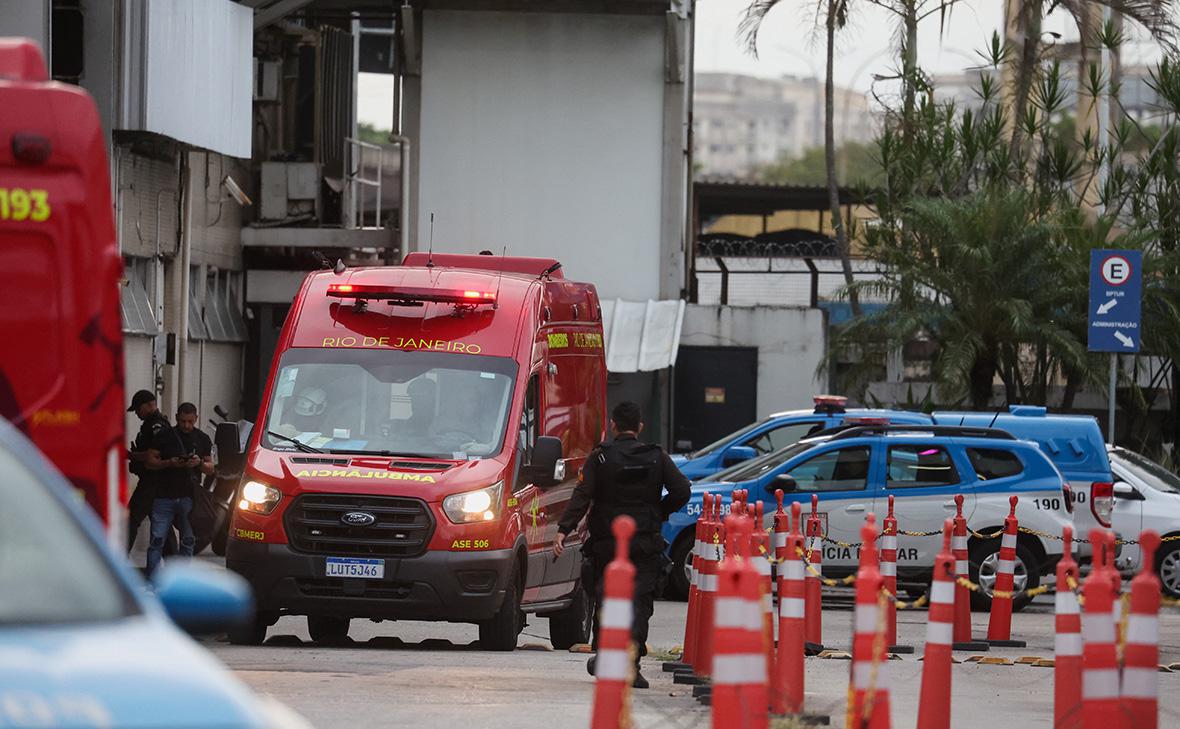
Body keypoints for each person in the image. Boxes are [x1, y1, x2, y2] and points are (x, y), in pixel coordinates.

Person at [553, 401, 691, 689]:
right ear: (639, 426)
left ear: (613, 425)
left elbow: (582, 494)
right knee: (640, 604)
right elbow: (682, 490)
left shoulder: (600, 457)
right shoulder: (657, 456)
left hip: (607, 545)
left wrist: (563, 530)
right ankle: (632, 664)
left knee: (606, 600)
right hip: (644, 545)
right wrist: (659, 511)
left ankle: (605, 657)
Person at [145, 402, 213, 576]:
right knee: (157, 540)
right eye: (183, 421)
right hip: (163, 496)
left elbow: (210, 467)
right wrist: (169, 462)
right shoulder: (164, 436)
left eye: (190, 421)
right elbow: (149, 461)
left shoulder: (203, 438)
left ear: (196, 419)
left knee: (188, 540)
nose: (186, 425)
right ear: (176, 418)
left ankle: (182, 580)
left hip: (189, 498)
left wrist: (199, 463)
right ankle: (153, 580)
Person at [126, 389, 175, 557]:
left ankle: (117, 561)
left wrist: (130, 455)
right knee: (162, 523)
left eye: (138, 410)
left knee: (131, 520)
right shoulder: (152, 424)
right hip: (154, 482)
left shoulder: (157, 426)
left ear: (148, 406)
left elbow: (152, 455)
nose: (137, 414)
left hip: (153, 482)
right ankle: (174, 564)